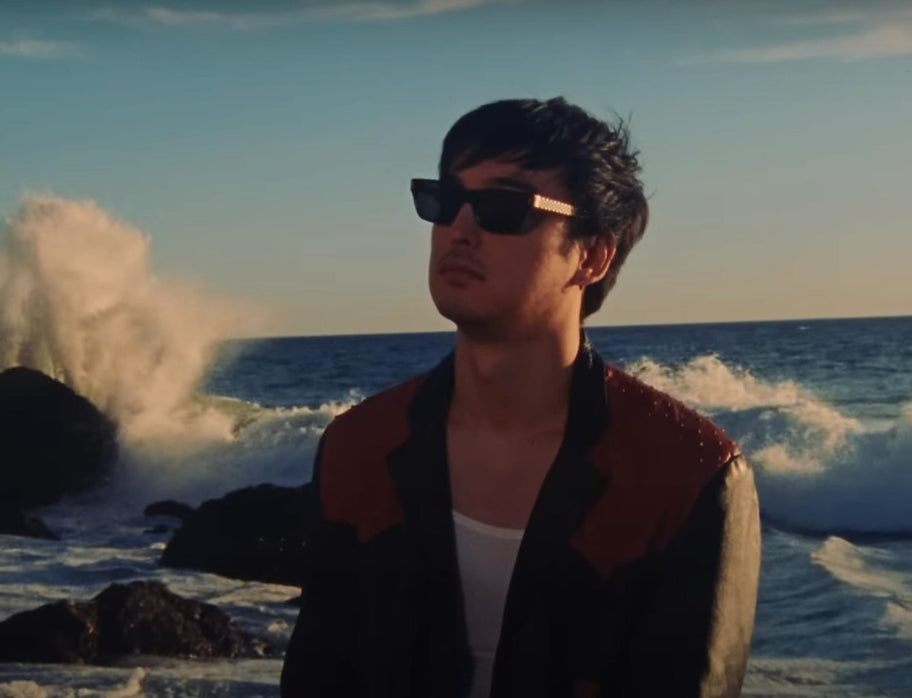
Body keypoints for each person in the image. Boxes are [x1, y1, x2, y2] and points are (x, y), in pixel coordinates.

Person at [281, 97, 761, 698]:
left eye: (502, 208)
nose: (459, 228)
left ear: (591, 255)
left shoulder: (684, 474)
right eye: (445, 201)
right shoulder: (360, 448)